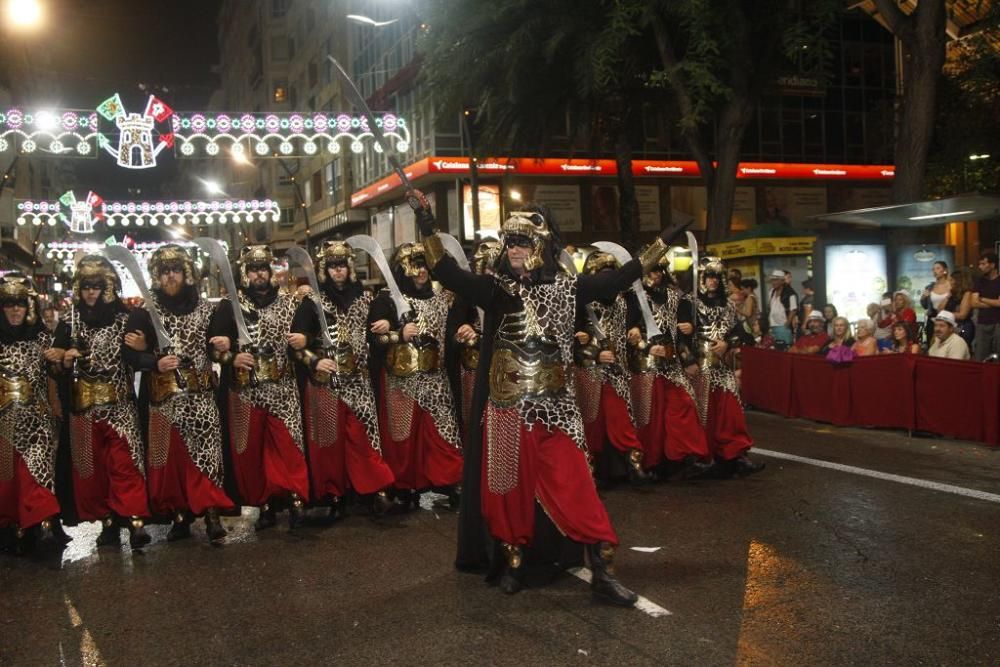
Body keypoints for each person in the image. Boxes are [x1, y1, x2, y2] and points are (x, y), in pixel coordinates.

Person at [417, 195, 690, 607]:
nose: (514, 250)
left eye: (522, 243)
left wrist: (662, 243)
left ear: (539, 247)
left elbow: (618, 280)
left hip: (556, 412)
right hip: (507, 410)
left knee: (578, 488)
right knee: (507, 493)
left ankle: (602, 572)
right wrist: (425, 219)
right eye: (509, 243)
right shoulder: (493, 290)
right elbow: (444, 270)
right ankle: (512, 564)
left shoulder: (567, 289)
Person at [123, 244, 233, 543]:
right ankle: (179, 516)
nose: (170, 276)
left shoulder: (210, 308)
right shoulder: (143, 313)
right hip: (164, 401)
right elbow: (128, 356)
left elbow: (219, 346)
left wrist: (223, 345)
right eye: (164, 272)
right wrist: (152, 361)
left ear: (187, 274)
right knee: (171, 462)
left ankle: (211, 513)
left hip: (200, 396)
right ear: (156, 277)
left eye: (175, 270)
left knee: (207, 455)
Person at [289, 240, 395, 519]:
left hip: (358, 379)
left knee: (364, 437)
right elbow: (295, 347)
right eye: (332, 266)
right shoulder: (311, 303)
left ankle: (375, 489)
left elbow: (377, 336)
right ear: (326, 270)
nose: (338, 271)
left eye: (342, 266)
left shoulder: (365, 298)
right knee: (329, 443)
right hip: (325, 383)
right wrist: (314, 358)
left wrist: (388, 326)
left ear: (349, 269)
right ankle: (333, 493)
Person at [215, 245, 310, 530]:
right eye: (254, 269)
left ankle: (295, 501)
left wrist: (304, 340)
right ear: (246, 273)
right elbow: (214, 350)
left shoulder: (290, 303)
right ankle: (265, 504)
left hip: (283, 387)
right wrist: (231, 355)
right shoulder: (228, 306)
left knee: (289, 448)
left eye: (263, 269)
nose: (259, 274)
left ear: (271, 273)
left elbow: (308, 336)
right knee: (252, 453)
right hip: (246, 392)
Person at [58, 255, 150, 550]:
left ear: (108, 287)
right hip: (84, 409)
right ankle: (108, 523)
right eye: (86, 286)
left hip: (119, 406)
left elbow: (140, 358)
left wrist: (143, 347)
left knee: (125, 466)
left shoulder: (127, 319)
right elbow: (52, 361)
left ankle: (135, 523)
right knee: (92, 471)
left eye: (97, 286)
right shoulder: (68, 321)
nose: (91, 293)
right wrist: (62, 358)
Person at [368, 242, 463, 510]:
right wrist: (398, 333)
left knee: (444, 433)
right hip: (402, 381)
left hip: (436, 378)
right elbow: (373, 339)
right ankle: (404, 485)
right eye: (416, 266)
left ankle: (449, 480)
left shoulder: (442, 297)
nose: (421, 271)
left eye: (424, 265)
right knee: (402, 438)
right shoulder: (385, 299)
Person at [627, 254, 712, 480]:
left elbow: (685, 330)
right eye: (651, 271)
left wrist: (689, 334)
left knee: (683, 405)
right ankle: (651, 463)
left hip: (672, 362)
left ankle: (684, 457)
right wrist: (644, 345)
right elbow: (627, 332)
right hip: (646, 363)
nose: (655, 275)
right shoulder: (632, 297)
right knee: (651, 415)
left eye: (658, 271)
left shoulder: (676, 297)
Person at [572, 252, 652, 485]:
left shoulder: (626, 301)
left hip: (618, 371)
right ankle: (589, 470)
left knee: (620, 417)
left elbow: (644, 324)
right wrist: (591, 349)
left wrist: (636, 329)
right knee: (591, 422)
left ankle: (632, 461)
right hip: (588, 371)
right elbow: (568, 338)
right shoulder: (579, 302)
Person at [0, 274, 65, 552]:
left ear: (29, 308)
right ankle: (11, 528)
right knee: (6, 481)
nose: (15, 309)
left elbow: (57, 375)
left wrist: (59, 359)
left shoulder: (44, 338)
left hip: (37, 424)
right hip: (2, 424)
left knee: (36, 475)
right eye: (8, 303)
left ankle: (43, 524)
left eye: (20, 304)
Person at [691, 258, 765, 478]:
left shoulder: (729, 305)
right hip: (699, 366)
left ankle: (737, 454)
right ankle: (703, 457)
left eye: (716, 276)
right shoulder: (689, 303)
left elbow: (742, 333)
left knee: (731, 411)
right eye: (708, 276)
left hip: (722, 367)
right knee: (703, 414)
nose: (712, 281)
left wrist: (729, 343)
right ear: (701, 278)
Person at [972, 251, 1000, 361]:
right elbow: (974, 302)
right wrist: (994, 303)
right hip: (982, 323)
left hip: (998, 322)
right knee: (981, 356)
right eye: (979, 264)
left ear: (992, 265)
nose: (980, 267)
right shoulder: (979, 281)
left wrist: (982, 299)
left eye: (983, 264)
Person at [920, 261, 951, 344]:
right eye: (933, 269)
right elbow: (924, 306)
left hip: (947, 319)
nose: (935, 271)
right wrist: (923, 297)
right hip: (932, 319)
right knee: (932, 345)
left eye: (938, 268)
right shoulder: (930, 287)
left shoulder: (952, 286)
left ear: (945, 270)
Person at [767, 269, 797, 346]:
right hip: (772, 325)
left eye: (776, 280)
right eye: (772, 280)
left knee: (784, 347)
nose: (773, 282)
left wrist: (787, 324)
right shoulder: (771, 292)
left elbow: (793, 309)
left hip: (783, 326)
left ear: (782, 281)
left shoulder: (790, 293)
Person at [948, 270, 976, 349]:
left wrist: (946, 315)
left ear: (958, 281)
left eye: (952, 280)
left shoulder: (967, 293)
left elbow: (963, 315)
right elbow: (940, 308)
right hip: (952, 325)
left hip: (963, 327)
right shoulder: (952, 294)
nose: (950, 282)